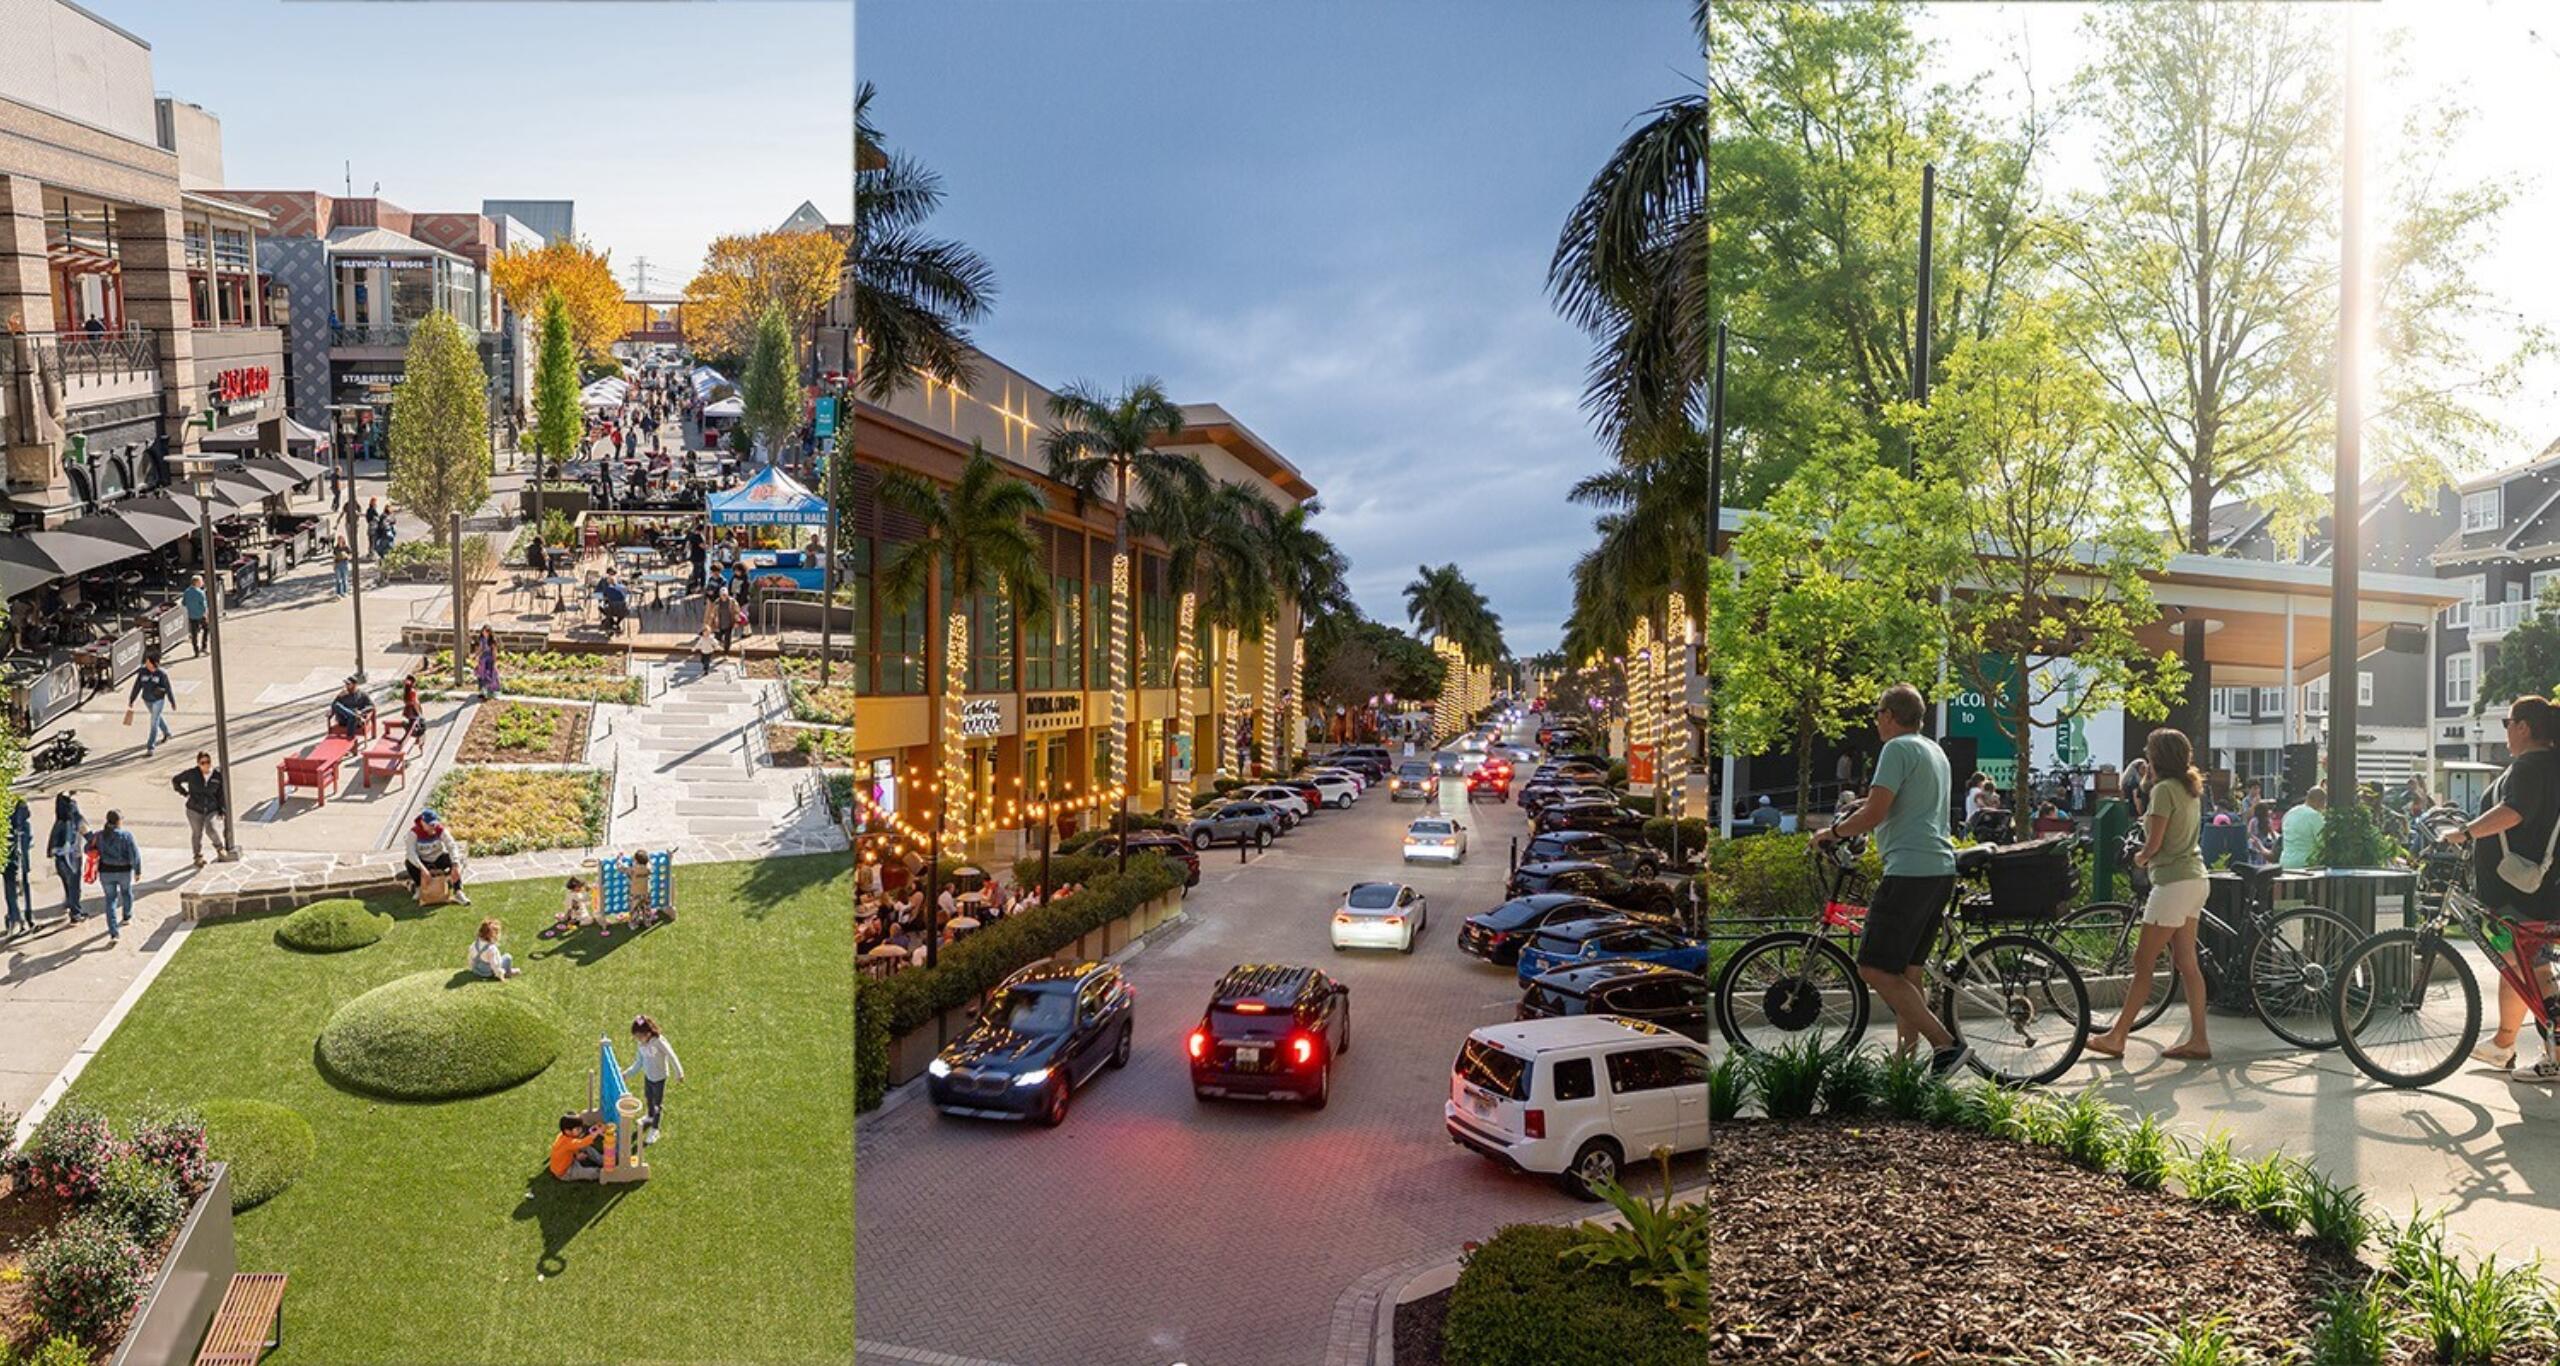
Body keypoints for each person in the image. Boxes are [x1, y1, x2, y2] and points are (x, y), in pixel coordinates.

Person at [1815, 684, 1969, 1076]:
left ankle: (1946, 1045)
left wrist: (1831, 834)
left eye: (1878, 713)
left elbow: (1875, 813)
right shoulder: (1933, 750)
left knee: (1874, 968)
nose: (1876, 721)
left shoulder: (1896, 749)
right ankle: (1904, 1067)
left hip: (1909, 870)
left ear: (1888, 714)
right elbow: (1895, 806)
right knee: (1908, 972)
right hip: (1939, 868)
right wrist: (1859, 812)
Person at [2443, 696, 2560, 1080]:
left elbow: (2514, 811)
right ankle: (2504, 1043)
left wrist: (2465, 832)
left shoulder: (2530, 766)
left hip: (2522, 892)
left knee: (2533, 967)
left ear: (2524, 727)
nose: (2506, 731)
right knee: (2517, 964)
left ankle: (2555, 1055)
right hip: (2533, 889)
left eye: (2508, 722)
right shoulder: (2547, 764)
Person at [2087, 728, 2214, 1062]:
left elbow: (2154, 845)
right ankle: (2199, 1039)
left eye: (2149, 750)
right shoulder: (2189, 789)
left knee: (2142, 962)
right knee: (2188, 963)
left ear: (2158, 757)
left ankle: (2117, 1037)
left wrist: (2138, 857)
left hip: (2172, 883)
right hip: (2196, 879)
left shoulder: (2164, 791)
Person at [621, 1015, 685, 1141]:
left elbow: (672, 1056)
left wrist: (679, 1073)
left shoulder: (659, 1042)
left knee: (657, 1104)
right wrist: (627, 1074)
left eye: (640, 1036)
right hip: (648, 1076)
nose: (638, 1039)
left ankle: (655, 1129)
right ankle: (649, 1116)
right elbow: (638, 1062)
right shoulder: (641, 1045)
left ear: (649, 1033)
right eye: (636, 1037)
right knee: (648, 1097)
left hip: (659, 1078)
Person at [170, 751, 232, 867]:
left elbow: (221, 794)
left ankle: (220, 848)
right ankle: (197, 856)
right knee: (197, 833)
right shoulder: (192, 774)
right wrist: (185, 793)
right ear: (198, 763)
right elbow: (175, 780)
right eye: (203, 763)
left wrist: (222, 810)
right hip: (194, 809)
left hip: (211, 809)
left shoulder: (216, 776)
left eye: (208, 762)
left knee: (211, 829)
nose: (206, 765)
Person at [405, 809, 470, 905]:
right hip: (423, 860)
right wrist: (422, 868)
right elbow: (411, 853)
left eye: (434, 824)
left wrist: (455, 864)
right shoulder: (413, 833)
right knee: (409, 863)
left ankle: (458, 892)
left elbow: (451, 845)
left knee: (454, 861)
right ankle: (419, 888)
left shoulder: (440, 830)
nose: (433, 827)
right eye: (430, 824)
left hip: (438, 857)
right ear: (422, 822)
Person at [92, 809, 138, 944]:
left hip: (106, 872)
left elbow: (89, 847)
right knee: (126, 893)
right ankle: (126, 916)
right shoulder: (126, 836)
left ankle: (113, 932)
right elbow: (134, 855)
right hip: (124, 871)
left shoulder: (99, 835)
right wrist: (137, 870)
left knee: (110, 901)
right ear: (119, 821)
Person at [125, 652, 175, 756]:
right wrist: (132, 699)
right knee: (157, 717)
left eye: (148, 661)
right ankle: (167, 732)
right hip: (147, 700)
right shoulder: (142, 672)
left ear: (153, 663)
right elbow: (137, 686)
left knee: (154, 722)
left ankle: (150, 746)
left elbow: (168, 688)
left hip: (158, 700)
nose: (146, 663)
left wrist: (172, 701)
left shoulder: (161, 674)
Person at [45, 794, 84, 923]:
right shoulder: (74, 821)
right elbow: (87, 833)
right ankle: (75, 914)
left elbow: (51, 846)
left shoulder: (58, 823)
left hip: (60, 860)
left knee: (68, 885)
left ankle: (70, 903)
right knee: (75, 886)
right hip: (73, 858)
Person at [5, 796, 34, 936]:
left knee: (12, 892)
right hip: (19, 864)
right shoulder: (25, 826)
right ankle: (25, 918)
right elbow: (29, 843)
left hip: (10, 864)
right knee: (22, 891)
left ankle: (16, 919)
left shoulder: (7, 826)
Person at [2279, 787, 2327, 870]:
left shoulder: (2289, 813)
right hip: (2306, 864)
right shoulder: (2315, 816)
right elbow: (2322, 842)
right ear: (2320, 801)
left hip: (2285, 862)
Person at [549, 1113, 604, 1181]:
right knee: (592, 1173)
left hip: (568, 1161)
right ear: (568, 1131)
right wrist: (595, 1134)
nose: (580, 1130)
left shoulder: (563, 1135)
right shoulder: (568, 1142)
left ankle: (602, 1160)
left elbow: (573, 1146)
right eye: (577, 1129)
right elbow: (581, 1143)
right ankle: (603, 1173)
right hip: (566, 1172)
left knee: (585, 1147)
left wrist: (577, 1154)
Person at [542, 875, 598, 940]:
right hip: (578, 915)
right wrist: (587, 891)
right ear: (576, 887)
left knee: (577, 911)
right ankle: (576, 922)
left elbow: (572, 904)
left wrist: (591, 886)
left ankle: (569, 918)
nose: (582, 888)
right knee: (590, 921)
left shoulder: (570, 893)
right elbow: (585, 898)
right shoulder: (576, 895)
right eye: (581, 886)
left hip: (571, 912)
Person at [2246, 800, 2280, 868]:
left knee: (2253, 864)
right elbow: (2272, 833)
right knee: (2263, 864)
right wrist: (2276, 841)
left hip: (2254, 845)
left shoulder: (2253, 821)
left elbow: (2248, 833)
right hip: (2264, 845)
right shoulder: (2268, 821)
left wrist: (2254, 838)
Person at [182, 573, 209, 654]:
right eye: (201, 581)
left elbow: (183, 603)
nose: (202, 583)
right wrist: (206, 615)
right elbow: (204, 605)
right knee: (206, 629)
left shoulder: (187, 592)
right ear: (197, 582)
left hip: (191, 615)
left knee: (194, 634)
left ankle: (196, 650)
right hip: (201, 615)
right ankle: (204, 646)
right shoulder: (200, 593)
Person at [472, 625, 501, 701]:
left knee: (489, 675)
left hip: (489, 659)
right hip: (483, 659)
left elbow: (494, 651)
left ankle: (490, 693)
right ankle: (482, 692)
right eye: (484, 631)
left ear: (489, 632)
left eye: (486, 632)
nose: (485, 633)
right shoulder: (481, 639)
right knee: (481, 675)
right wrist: (476, 655)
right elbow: (481, 649)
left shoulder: (492, 641)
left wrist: (494, 661)